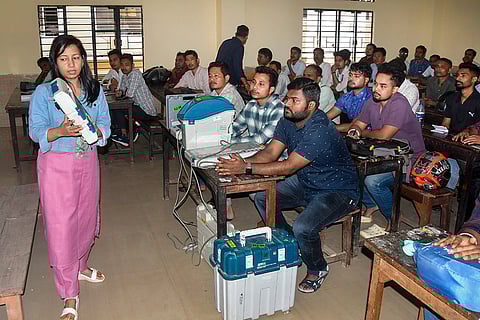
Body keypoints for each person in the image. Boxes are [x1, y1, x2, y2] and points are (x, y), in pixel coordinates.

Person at [216, 77, 359, 294]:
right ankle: (291, 241)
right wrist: (242, 164)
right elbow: (271, 152)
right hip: (307, 181)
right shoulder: (287, 120)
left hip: (338, 190)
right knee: (262, 197)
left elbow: (289, 166)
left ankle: (317, 268)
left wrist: (246, 168)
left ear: (311, 105)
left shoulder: (319, 128)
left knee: (304, 226)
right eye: (287, 98)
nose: (287, 104)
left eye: (294, 100)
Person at [29, 34, 111, 320]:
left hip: (87, 162)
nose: (71, 64)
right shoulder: (45, 93)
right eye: (64, 59)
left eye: (76, 57)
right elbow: (36, 130)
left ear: (83, 59)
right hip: (56, 166)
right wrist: (61, 131)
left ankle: (80, 265)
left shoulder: (93, 89)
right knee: (62, 226)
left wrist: (96, 132)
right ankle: (68, 292)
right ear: (55, 61)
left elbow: (104, 123)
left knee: (86, 218)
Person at [348, 63, 426, 224]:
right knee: (349, 169)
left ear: (395, 89)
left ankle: (394, 215)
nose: (377, 89)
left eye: (383, 86)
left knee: (373, 181)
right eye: (376, 84)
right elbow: (359, 123)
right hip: (386, 154)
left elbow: (384, 135)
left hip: (409, 160)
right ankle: (373, 203)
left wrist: (361, 132)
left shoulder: (399, 103)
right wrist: (355, 130)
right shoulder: (373, 101)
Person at [112, 53, 157, 146]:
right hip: (137, 107)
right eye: (122, 65)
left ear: (132, 65)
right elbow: (121, 90)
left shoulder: (135, 74)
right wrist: (119, 92)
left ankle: (124, 135)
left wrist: (122, 93)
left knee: (118, 109)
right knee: (116, 108)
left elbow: (129, 94)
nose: (124, 67)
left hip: (147, 111)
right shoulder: (125, 75)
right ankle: (124, 131)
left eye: (127, 65)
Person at [231, 66, 283, 145]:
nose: (255, 87)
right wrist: (222, 137)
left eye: (261, 84)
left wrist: (229, 141)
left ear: (271, 89)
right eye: (253, 82)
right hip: (254, 150)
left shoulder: (278, 109)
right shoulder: (251, 105)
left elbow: (260, 139)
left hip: (275, 155)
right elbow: (235, 127)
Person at [327, 62, 372, 132]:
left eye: (356, 76)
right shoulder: (347, 96)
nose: (351, 78)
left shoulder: (370, 99)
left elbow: (354, 126)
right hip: (352, 134)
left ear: (366, 80)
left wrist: (325, 128)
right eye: (350, 75)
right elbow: (328, 116)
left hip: (369, 135)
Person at [441, 63, 480, 134]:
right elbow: (446, 122)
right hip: (452, 137)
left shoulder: (478, 100)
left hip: (470, 139)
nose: (457, 78)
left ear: (474, 79)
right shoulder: (452, 97)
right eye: (457, 75)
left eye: (463, 75)